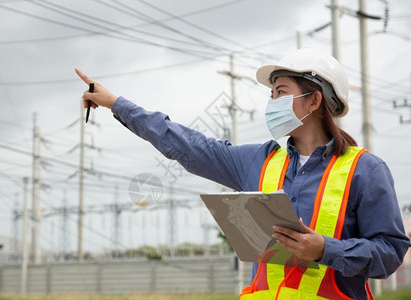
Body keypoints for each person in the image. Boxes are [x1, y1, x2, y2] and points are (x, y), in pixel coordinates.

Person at [75, 48, 410, 299]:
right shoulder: (260, 161)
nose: (272, 101)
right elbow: (189, 145)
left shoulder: (365, 170)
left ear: (314, 101)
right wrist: (116, 103)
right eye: (271, 93)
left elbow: (390, 253)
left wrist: (325, 250)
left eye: (281, 91)